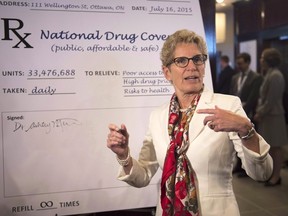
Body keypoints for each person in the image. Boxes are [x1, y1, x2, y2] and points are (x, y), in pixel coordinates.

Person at [106, 29, 272, 216]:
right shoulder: (158, 116)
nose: (192, 66)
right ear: (167, 72)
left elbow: (262, 173)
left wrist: (246, 129)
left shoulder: (227, 105)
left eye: (198, 59)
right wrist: (123, 156)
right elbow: (142, 176)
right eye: (182, 61)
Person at [254, 48, 288, 187]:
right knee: (271, 147)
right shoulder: (269, 74)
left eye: (262, 57)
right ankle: (272, 174)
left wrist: (260, 112)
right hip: (268, 116)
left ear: (269, 60)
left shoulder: (275, 75)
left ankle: (276, 177)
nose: (261, 60)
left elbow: (271, 100)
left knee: (276, 148)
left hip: (274, 116)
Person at [230, 52, 263, 177]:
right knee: (237, 140)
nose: (239, 66)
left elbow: (253, 97)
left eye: (241, 63)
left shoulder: (256, 77)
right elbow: (232, 93)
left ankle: (250, 168)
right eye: (237, 63)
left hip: (248, 113)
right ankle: (239, 165)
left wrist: (242, 108)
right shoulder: (235, 77)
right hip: (236, 112)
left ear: (248, 63)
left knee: (248, 140)